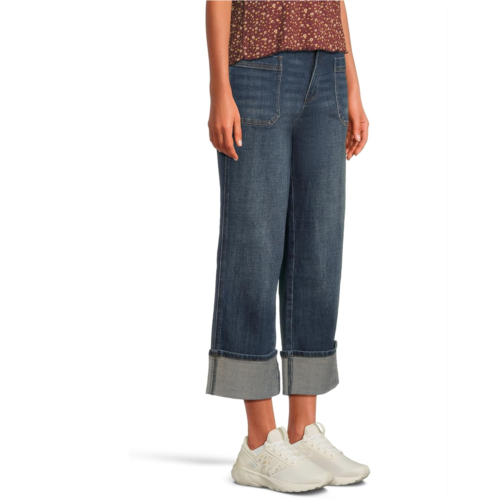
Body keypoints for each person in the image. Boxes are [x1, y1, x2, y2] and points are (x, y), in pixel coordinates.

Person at [205, 0, 370, 492]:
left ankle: (301, 431)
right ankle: (259, 442)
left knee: (319, 250)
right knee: (253, 247)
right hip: (257, 68)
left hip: (329, 71)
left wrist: (353, 87)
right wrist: (219, 89)